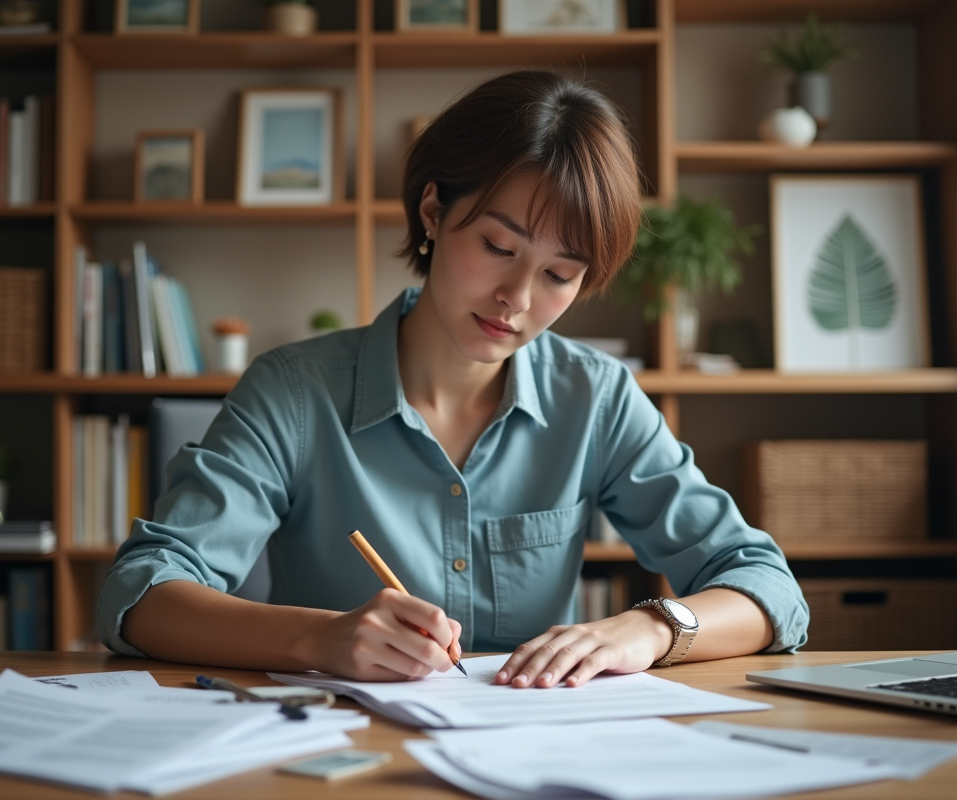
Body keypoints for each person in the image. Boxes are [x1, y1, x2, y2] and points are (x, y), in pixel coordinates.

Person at [99, 70, 808, 688]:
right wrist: (318, 639)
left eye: (561, 275)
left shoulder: (595, 397)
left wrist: (654, 628)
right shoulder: (293, 391)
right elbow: (142, 592)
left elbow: (766, 587)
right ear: (434, 213)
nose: (519, 299)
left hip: (534, 757)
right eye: (498, 246)